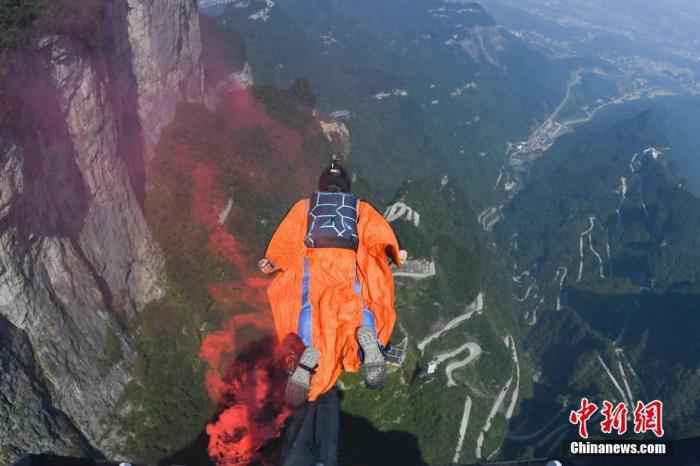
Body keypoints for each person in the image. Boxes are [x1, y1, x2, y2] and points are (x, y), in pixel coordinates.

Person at [259, 158, 406, 408]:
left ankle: (305, 355)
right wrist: (394, 253)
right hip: (347, 267)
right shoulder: (360, 208)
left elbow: (287, 240)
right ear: (346, 187)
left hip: (313, 271)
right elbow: (378, 234)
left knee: (306, 311)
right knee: (359, 308)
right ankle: (367, 346)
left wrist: (272, 262)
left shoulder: (304, 207)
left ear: (322, 185)